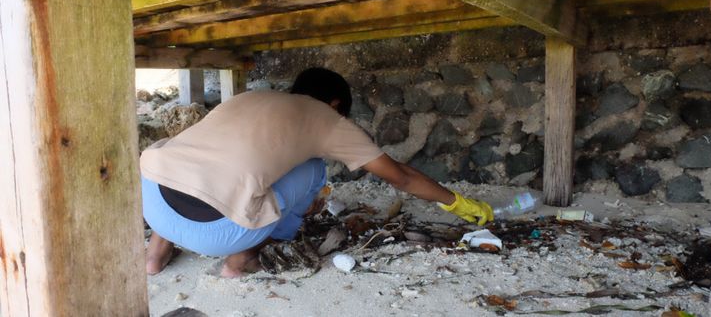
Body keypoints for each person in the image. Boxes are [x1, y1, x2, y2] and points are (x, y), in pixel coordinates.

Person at [141, 67, 493, 278]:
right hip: (218, 235)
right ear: (336, 105)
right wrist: (456, 202)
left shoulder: (250, 97)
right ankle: (239, 260)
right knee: (312, 169)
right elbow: (399, 176)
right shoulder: (326, 118)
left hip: (154, 203)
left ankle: (154, 256)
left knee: (183, 158)